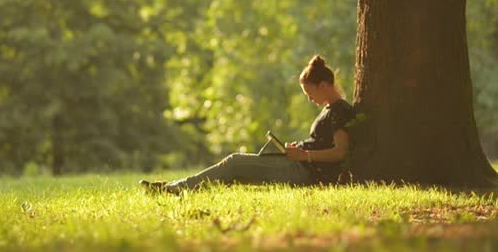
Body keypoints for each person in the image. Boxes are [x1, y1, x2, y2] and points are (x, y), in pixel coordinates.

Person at [140, 55, 356, 194]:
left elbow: (340, 152)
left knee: (235, 162)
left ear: (324, 85)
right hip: (300, 165)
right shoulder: (329, 110)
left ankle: (173, 188)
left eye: (310, 93)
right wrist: (298, 149)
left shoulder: (340, 110)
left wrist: (304, 156)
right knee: (235, 171)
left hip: (307, 172)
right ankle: (176, 188)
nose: (310, 99)